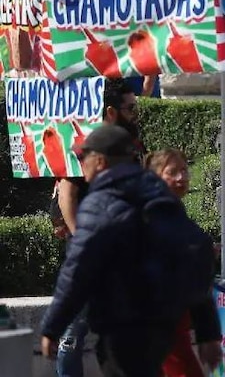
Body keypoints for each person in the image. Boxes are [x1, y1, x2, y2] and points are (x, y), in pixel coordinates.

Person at [40, 125, 204, 376]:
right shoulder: (156, 196)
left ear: (101, 162)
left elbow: (77, 271)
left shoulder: (101, 204)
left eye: (84, 157)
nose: (80, 163)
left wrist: (52, 327)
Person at [51, 78, 140, 377]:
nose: (135, 115)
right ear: (112, 113)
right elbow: (67, 194)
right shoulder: (86, 146)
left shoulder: (128, 146)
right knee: (73, 334)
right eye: (131, 109)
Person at [145, 150, 223, 377]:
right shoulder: (146, 215)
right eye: (172, 172)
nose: (181, 178)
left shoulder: (175, 215)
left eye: (184, 170)